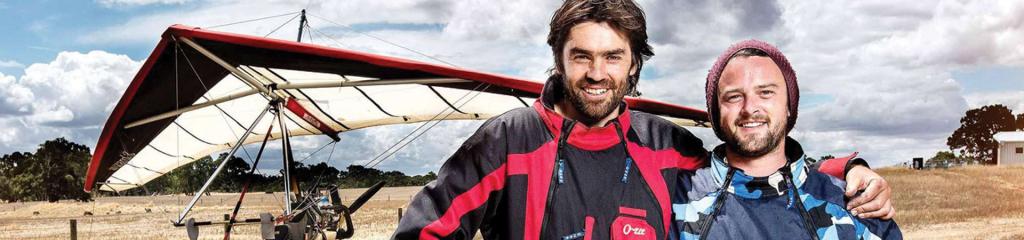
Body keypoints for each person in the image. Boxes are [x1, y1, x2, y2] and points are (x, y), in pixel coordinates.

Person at [394, 1, 892, 239]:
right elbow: (423, 233)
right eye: (581, 56)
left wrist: (841, 168)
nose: (596, 73)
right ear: (558, 58)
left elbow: (751, 161)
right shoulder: (507, 141)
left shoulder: (667, 146)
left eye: (613, 57)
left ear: (634, 64)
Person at [672, 39, 901, 239]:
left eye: (766, 92)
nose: (750, 108)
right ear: (716, 112)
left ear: (789, 106)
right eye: (733, 96)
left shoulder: (856, 208)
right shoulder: (673, 202)